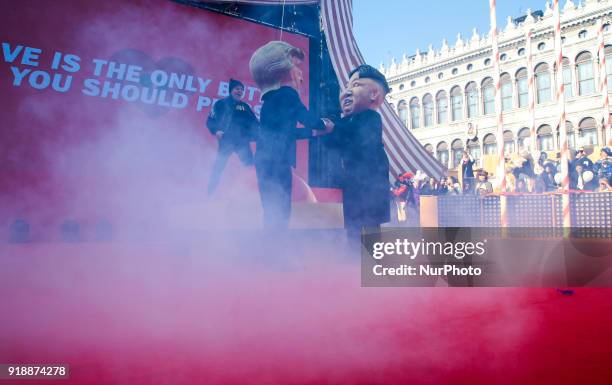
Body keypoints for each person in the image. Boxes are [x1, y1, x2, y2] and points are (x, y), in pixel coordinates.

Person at [249, 41, 332, 229]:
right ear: (281, 68)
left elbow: (287, 132)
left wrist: (313, 132)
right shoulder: (287, 94)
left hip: (264, 161)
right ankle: (277, 251)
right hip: (278, 161)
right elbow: (305, 116)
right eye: (296, 66)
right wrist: (323, 125)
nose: (301, 74)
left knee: (271, 209)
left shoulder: (270, 100)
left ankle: (270, 250)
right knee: (281, 209)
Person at [327, 64, 391, 242]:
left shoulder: (370, 118)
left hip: (368, 193)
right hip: (354, 191)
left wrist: (333, 126)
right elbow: (335, 142)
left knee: (367, 235)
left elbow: (353, 133)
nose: (347, 92)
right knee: (354, 233)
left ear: (374, 94)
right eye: (346, 87)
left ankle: (367, 265)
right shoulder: (348, 122)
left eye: (355, 85)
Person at [206, 78, 258, 195]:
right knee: (218, 168)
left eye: (241, 90)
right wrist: (216, 131)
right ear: (231, 90)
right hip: (226, 141)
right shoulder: (220, 104)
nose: (240, 91)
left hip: (242, 142)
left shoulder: (245, 107)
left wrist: (260, 134)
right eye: (237, 89)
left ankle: (252, 193)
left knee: (250, 166)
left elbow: (255, 124)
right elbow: (210, 120)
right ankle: (210, 194)